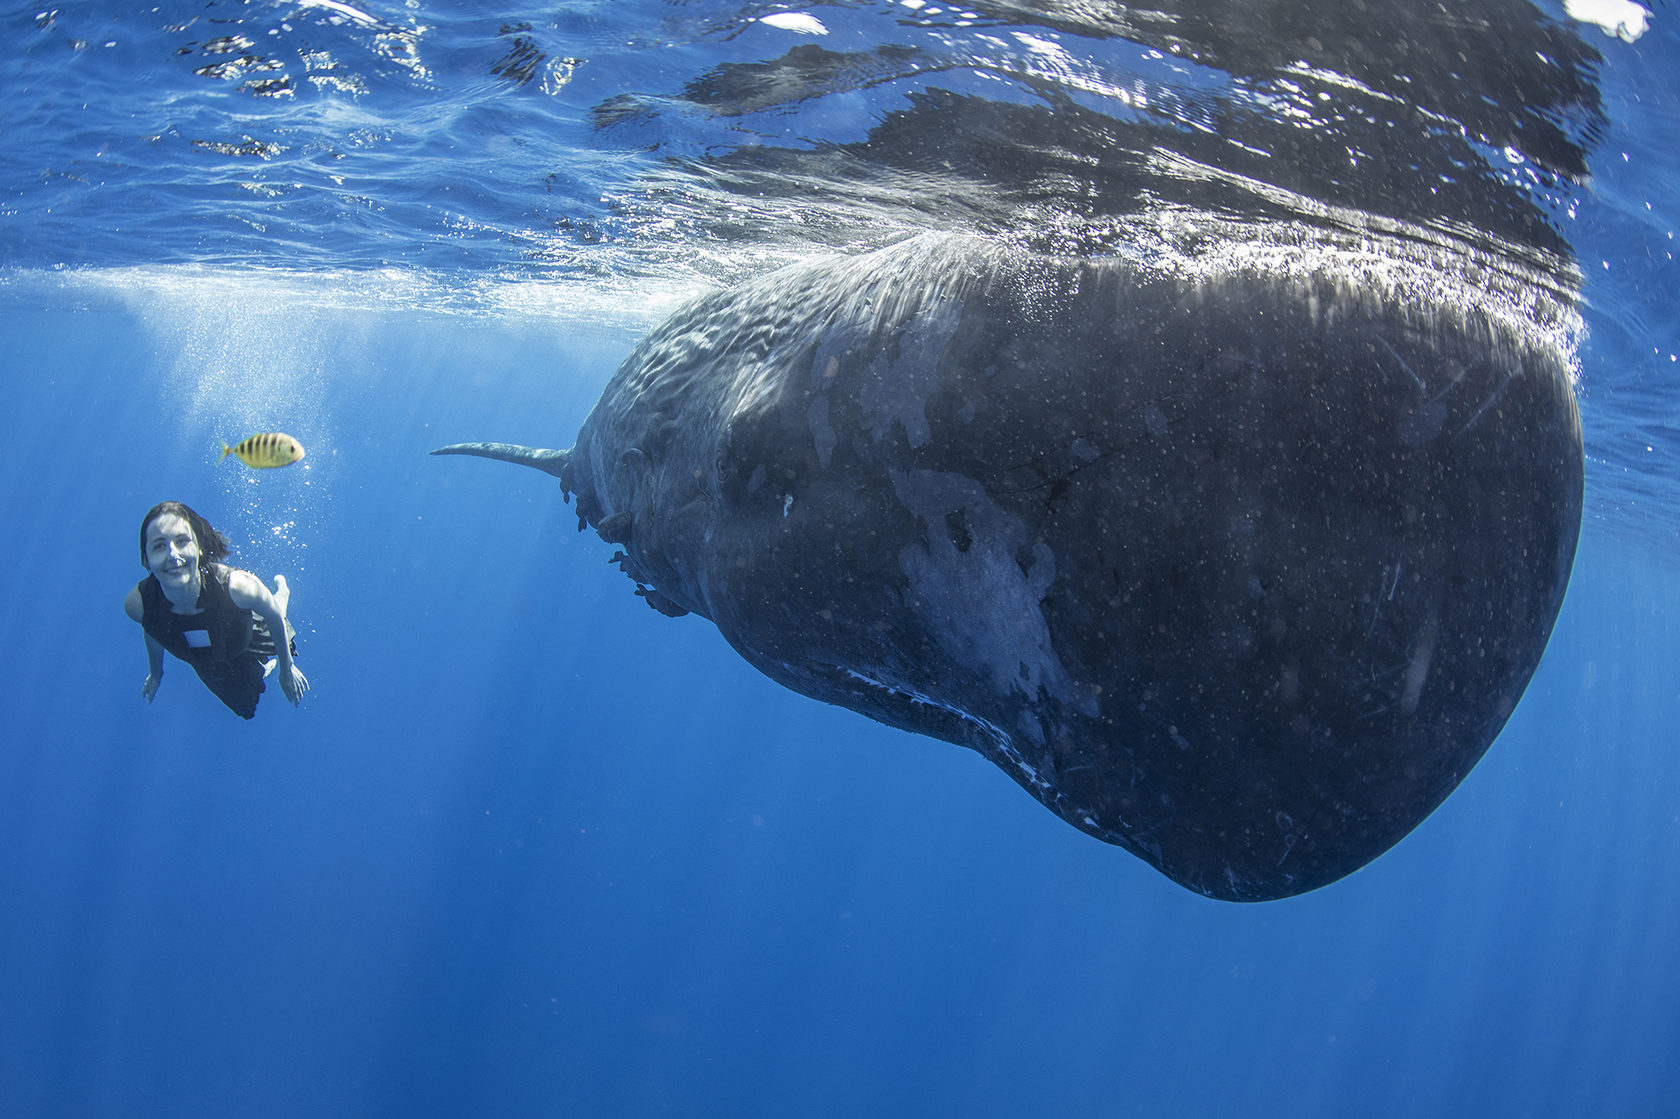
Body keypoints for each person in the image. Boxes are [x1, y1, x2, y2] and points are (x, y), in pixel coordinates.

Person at [123, 501, 309, 719]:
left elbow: (273, 615)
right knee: (245, 708)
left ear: (199, 547)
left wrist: (287, 669)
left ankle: (282, 593)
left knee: (277, 624)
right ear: (145, 559)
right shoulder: (139, 605)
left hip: (246, 630)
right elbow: (153, 626)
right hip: (208, 656)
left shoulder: (239, 587)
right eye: (159, 546)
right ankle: (259, 670)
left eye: (182, 541)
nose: (173, 555)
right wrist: (156, 673)